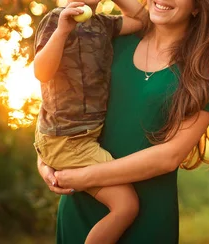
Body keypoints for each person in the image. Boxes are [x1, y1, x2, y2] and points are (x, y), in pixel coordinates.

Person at [36, 0, 209, 242]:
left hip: (146, 211)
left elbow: (170, 156)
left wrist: (83, 177)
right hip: (83, 201)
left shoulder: (206, 72)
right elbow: (61, 97)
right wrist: (45, 158)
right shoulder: (113, 40)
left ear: (198, 6)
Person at [33, 0, 146, 243]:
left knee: (125, 206)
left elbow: (143, 19)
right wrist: (63, 30)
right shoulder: (56, 19)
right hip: (68, 140)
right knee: (126, 206)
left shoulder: (104, 23)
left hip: (79, 137)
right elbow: (41, 72)